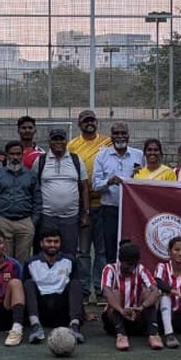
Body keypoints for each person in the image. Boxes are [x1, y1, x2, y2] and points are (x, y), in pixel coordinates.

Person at [68, 109, 111, 296]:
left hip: (104, 203)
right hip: (82, 205)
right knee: (83, 251)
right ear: (79, 124)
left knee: (101, 251)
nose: (89, 123)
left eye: (92, 120)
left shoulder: (107, 142)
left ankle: (100, 289)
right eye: (85, 121)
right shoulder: (72, 145)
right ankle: (85, 290)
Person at [92, 122, 144, 273]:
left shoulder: (139, 155)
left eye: (123, 133)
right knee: (110, 248)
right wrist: (109, 181)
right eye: (116, 133)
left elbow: (146, 178)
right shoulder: (102, 156)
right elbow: (95, 185)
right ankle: (112, 280)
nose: (120, 136)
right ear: (111, 136)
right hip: (110, 210)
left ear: (128, 135)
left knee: (132, 248)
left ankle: (133, 281)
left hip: (132, 211)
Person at [33, 128, 88, 261]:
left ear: (66, 141)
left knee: (69, 254)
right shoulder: (40, 161)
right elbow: (34, 187)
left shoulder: (76, 160)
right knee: (44, 254)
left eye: (61, 139)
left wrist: (85, 213)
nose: (58, 142)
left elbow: (85, 187)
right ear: (49, 141)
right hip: (47, 217)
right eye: (55, 139)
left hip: (70, 217)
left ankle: (68, 281)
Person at [23, 228, 85, 342]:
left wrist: (82, 312)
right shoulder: (31, 262)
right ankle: (35, 326)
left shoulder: (70, 260)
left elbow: (75, 291)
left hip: (62, 309)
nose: (52, 245)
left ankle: (75, 326)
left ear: (60, 243)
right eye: (49, 241)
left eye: (56, 242)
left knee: (76, 283)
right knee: (28, 284)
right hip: (41, 308)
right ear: (41, 243)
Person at [101, 241, 161, 351]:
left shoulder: (141, 269)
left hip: (136, 317)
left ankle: (153, 334)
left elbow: (155, 291)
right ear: (120, 261)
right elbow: (106, 292)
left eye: (134, 264)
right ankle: (121, 335)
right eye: (128, 264)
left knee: (148, 293)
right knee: (115, 293)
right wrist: (121, 310)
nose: (131, 268)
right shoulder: (110, 269)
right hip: (114, 318)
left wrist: (141, 307)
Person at [0, 141, 40, 264]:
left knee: (23, 260)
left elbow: (37, 199)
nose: (15, 157)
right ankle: (7, 283)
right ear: (7, 155)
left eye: (18, 154)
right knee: (4, 260)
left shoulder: (31, 176)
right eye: (12, 154)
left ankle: (20, 283)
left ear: (22, 155)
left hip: (25, 222)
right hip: (3, 221)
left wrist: (33, 221)